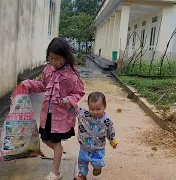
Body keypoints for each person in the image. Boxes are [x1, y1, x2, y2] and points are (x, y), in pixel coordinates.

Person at [22, 37, 85, 180]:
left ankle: (56, 172)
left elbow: (79, 92)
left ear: (66, 57)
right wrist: (29, 84)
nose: (54, 62)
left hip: (61, 116)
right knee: (44, 138)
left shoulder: (71, 76)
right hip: (47, 113)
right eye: (51, 58)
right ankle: (59, 151)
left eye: (58, 59)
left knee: (56, 142)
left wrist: (68, 100)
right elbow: (42, 85)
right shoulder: (48, 70)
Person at [60, 92, 118, 180]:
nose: (95, 112)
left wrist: (113, 141)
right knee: (82, 161)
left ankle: (98, 167)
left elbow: (111, 131)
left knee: (97, 161)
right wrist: (66, 102)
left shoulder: (107, 121)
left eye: (98, 109)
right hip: (84, 146)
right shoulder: (84, 114)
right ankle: (82, 175)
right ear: (88, 106)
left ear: (104, 107)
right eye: (92, 109)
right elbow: (74, 109)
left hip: (98, 147)